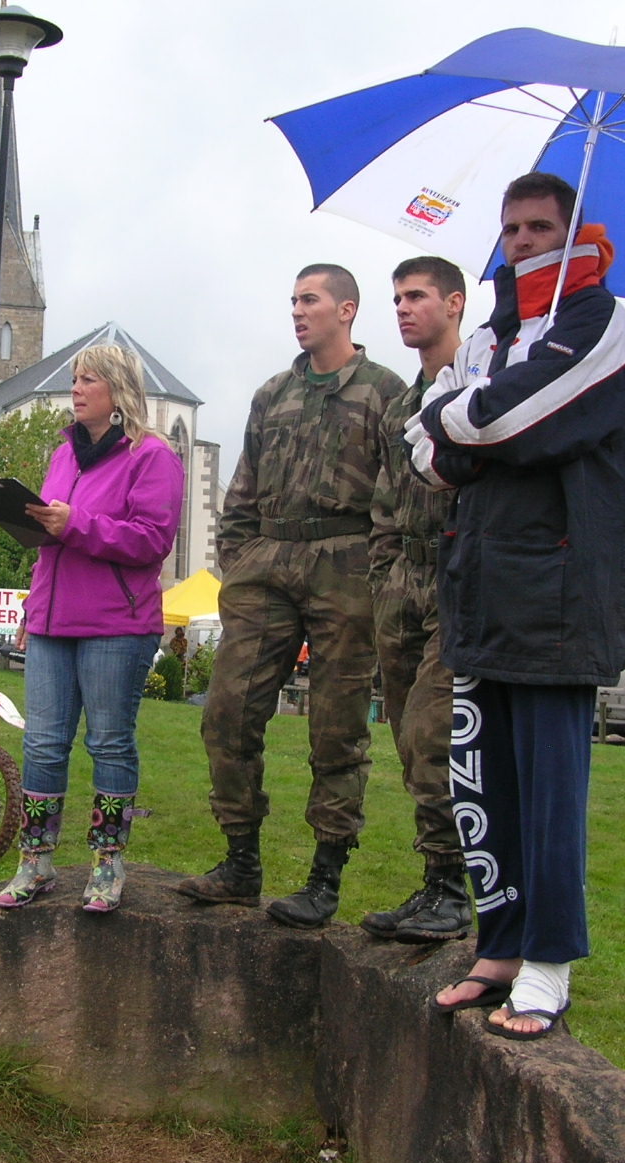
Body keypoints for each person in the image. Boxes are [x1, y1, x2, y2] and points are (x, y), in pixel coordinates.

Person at [406, 172, 625, 1038]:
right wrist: (467, 425)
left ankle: (549, 963)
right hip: (480, 592)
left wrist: (465, 423)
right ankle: (501, 945)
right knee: (482, 784)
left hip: (559, 598)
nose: (522, 241)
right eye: (511, 228)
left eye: (541, 227)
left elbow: (526, 420)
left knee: (550, 796)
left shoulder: (604, 327)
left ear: (575, 233)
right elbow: (424, 447)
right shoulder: (488, 338)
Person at [178, 264, 405, 928]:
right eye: (294, 301)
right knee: (227, 714)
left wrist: (377, 573)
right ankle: (240, 862)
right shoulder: (272, 394)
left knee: (337, 730)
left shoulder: (385, 392)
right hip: (267, 565)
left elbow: (398, 495)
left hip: (347, 567)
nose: (298, 311)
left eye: (311, 300)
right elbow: (242, 490)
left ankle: (325, 876)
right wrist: (239, 562)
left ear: (347, 310)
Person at [0, 343, 185, 914]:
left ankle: (107, 862)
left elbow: (152, 541)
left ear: (118, 389)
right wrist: (32, 607)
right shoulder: (63, 454)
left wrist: (75, 524)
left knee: (108, 741)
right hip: (53, 621)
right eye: (76, 379)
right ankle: (35, 860)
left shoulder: (152, 456)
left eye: (88, 379)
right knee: (42, 741)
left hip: (116, 624)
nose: (76, 388)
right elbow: (49, 544)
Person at [361, 256, 474, 944]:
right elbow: (384, 502)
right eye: (397, 298)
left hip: (457, 584)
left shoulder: (479, 391)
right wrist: (384, 576)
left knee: (434, 736)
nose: (403, 309)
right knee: (407, 739)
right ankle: (436, 880)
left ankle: (454, 890)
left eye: (417, 297)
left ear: (454, 303)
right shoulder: (402, 407)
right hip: (400, 584)